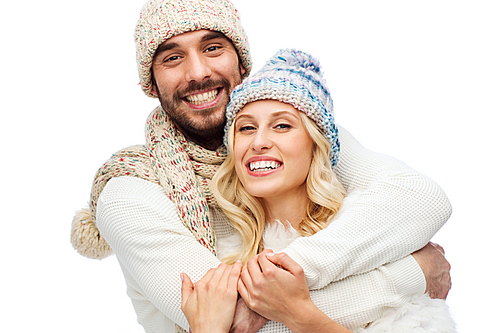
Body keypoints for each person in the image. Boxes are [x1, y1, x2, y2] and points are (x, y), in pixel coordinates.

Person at [70, 0, 452, 332]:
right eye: (172, 57)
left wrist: (285, 278)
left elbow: (422, 199)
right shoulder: (129, 190)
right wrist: (414, 271)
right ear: (151, 83)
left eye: (213, 47)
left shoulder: (296, 133)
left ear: (241, 61)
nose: (198, 72)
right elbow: (234, 321)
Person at [179, 49, 455, 333]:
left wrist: (296, 311)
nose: (259, 141)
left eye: (282, 125)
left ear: (316, 146)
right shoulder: (219, 260)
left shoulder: (372, 240)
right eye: (246, 128)